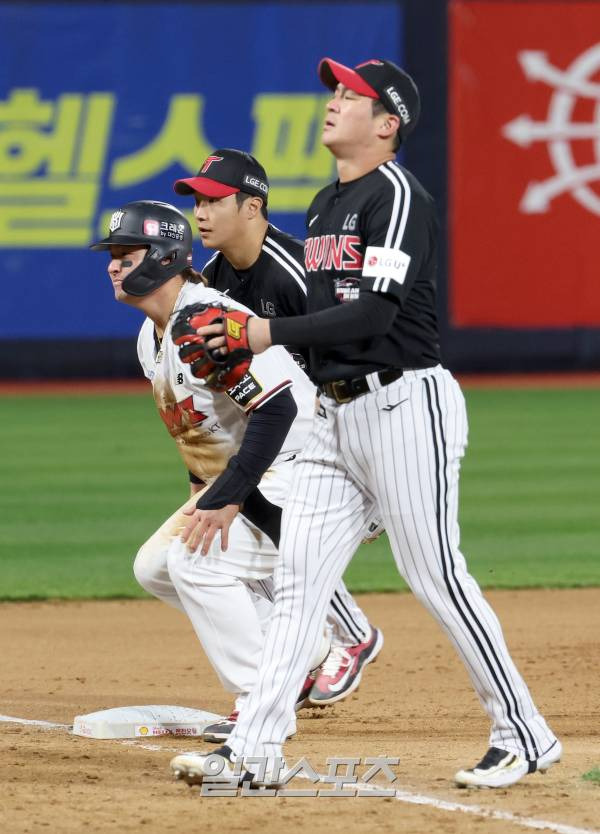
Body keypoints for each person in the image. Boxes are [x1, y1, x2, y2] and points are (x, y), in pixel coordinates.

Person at [170, 58, 562, 790]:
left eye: (352, 96)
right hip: (334, 417)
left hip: (404, 404)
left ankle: (525, 733)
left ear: (388, 125)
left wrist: (260, 335)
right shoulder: (324, 205)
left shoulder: (398, 196)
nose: (334, 103)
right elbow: (326, 329)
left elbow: (375, 315)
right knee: (299, 581)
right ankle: (256, 749)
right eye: (335, 92)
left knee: (435, 575)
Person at [88, 200, 375, 746]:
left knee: (196, 563)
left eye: (125, 254)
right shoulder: (154, 337)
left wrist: (232, 499)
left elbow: (277, 409)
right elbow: (204, 438)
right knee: (156, 567)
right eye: (112, 255)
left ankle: (260, 704)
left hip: (308, 472)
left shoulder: (207, 322)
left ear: (165, 257)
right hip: (264, 473)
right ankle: (312, 651)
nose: (112, 266)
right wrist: (210, 495)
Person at [172, 147, 383, 708]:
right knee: (252, 514)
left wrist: (371, 467)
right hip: (290, 427)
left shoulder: (297, 269)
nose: (201, 212)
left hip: (347, 420)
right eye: (196, 200)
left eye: (214, 200)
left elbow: (356, 358)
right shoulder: (214, 278)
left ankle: (348, 635)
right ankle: (322, 639)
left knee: (286, 521)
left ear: (253, 207)